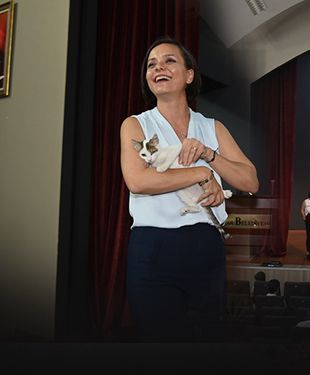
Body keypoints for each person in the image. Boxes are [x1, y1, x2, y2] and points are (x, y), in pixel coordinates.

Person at [120, 38, 259, 340]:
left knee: (205, 345)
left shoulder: (212, 127)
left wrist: (209, 155)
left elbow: (250, 181)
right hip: (152, 248)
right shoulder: (136, 125)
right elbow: (138, 181)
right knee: (161, 348)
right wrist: (200, 173)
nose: (158, 68)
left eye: (169, 61)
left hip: (204, 246)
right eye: (151, 64)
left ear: (189, 75)